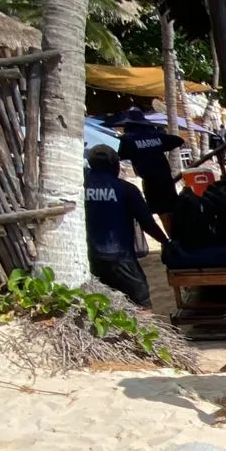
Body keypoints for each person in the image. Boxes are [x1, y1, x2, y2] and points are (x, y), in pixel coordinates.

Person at [83, 145, 167, 308]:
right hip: (120, 257)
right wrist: (165, 241)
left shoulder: (79, 189)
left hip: (90, 258)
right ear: (114, 164)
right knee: (141, 301)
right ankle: (146, 332)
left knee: (102, 303)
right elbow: (147, 223)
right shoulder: (126, 189)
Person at [113, 106, 185, 235]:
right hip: (165, 178)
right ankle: (177, 238)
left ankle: (173, 240)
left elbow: (120, 154)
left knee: (161, 211)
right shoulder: (156, 136)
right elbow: (178, 140)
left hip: (149, 180)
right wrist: (158, 139)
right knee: (171, 209)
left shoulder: (128, 140)